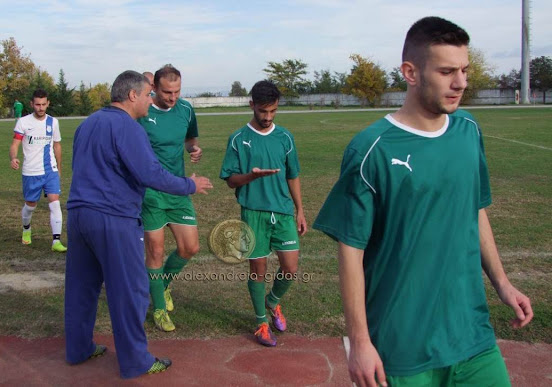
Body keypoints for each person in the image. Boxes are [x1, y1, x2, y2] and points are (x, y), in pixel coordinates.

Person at [313, 16, 533, 387]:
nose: (461, 82)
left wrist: (502, 283)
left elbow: (475, 210)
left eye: (464, 69)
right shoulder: (371, 149)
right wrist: (361, 343)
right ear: (411, 73)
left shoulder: (468, 131)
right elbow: (351, 250)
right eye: (447, 71)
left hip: (472, 335)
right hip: (403, 348)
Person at [64, 70, 212, 379]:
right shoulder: (128, 127)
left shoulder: (87, 123)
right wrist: (189, 185)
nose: (152, 99)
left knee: (81, 287)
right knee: (130, 290)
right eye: (148, 95)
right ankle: (136, 361)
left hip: (78, 217)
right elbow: (150, 174)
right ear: (132, 95)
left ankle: (78, 348)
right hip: (113, 218)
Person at [220, 80, 307, 347]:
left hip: (282, 212)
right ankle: (261, 322)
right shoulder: (238, 138)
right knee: (257, 270)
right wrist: (251, 176)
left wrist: (300, 210)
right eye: (263, 111)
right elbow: (231, 181)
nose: (268, 117)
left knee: (290, 269)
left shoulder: (285, 137)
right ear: (252, 105)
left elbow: (293, 175)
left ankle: (273, 302)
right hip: (253, 213)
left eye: (273, 111)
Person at [136, 65, 203, 332]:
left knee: (190, 247)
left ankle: (160, 286)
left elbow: (189, 139)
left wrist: (193, 150)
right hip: (150, 191)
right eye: (167, 92)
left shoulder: (186, 109)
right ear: (154, 88)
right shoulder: (143, 111)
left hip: (178, 188)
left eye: (177, 91)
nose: (173, 97)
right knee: (156, 251)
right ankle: (160, 310)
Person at [9, 89, 67, 253]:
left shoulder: (53, 122)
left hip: (50, 171)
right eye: (37, 104)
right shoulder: (23, 122)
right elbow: (15, 144)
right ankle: (26, 228)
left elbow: (57, 145)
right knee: (31, 205)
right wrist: (13, 158)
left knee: (55, 203)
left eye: (43, 104)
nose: (41, 108)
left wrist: (59, 169)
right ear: (31, 104)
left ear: (48, 103)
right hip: (31, 172)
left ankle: (56, 241)